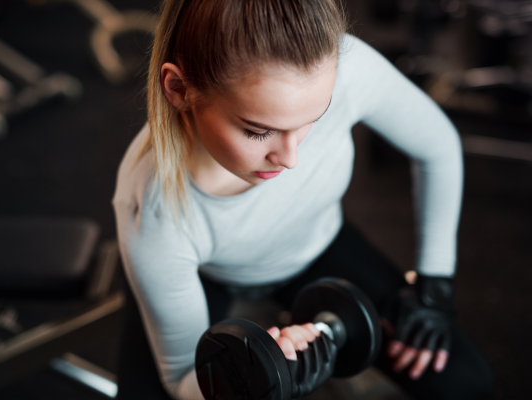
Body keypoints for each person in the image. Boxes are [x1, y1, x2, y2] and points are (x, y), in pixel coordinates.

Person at [112, 0, 494, 399]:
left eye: (315, 118)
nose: (290, 159)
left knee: (466, 384)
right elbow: (182, 380)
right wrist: (250, 381)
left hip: (316, 245)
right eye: (259, 131)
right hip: (208, 275)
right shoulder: (153, 213)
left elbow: (438, 147)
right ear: (178, 88)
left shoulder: (344, 69)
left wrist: (434, 281)